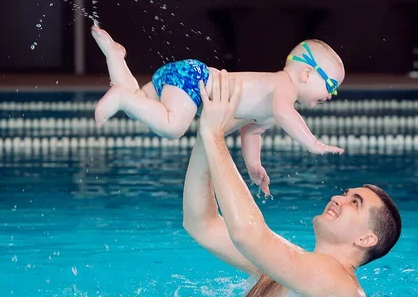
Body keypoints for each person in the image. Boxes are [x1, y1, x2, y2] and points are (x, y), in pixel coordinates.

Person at [183, 70, 402, 297]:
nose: (338, 198)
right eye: (346, 194)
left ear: (366, 239)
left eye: (355, 202)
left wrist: (215, 135)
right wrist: (211, 132)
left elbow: (247, 234)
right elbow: (202, 224)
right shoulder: (292, 268)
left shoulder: (339, 283)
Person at [91, 25, 345, 196]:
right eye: (331, 85)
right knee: (172, 127)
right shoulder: (283, 85)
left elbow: (251, 132)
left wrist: (253, 165)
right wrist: (312, 143)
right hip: (194, 79)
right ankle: (122, 96)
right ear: (307, 73)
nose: (332, 94)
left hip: (185, 80)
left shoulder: (274, 103)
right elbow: (284, 113)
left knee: (139, 105)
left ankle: (116, 59)